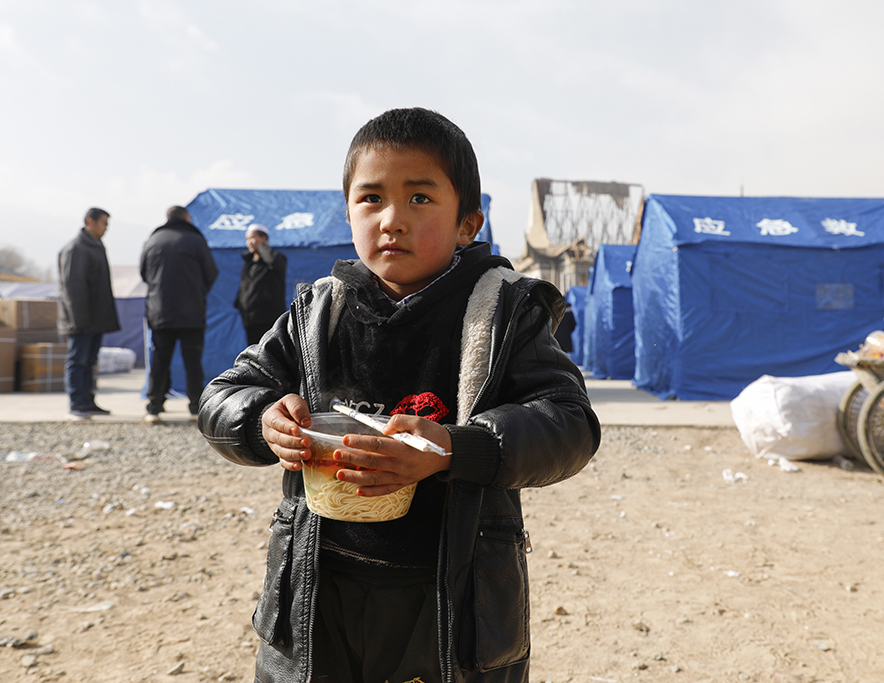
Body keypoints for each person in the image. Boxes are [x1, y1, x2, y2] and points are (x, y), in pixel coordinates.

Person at [198, 107, 601, 682]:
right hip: (318, 594)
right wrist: (262, 418)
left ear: (468, 223)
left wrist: (455, 449)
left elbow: (569, 423)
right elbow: (223, 395)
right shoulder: (317, 311)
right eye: (371, 199)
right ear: (348, 213)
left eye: (419, 198)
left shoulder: (506, 313)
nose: (392, 219)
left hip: (450, 602)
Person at [139, 205, 218, 423]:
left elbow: (144, 274)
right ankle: (195, 408)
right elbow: (211, 273)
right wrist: (196, 292)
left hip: (160, 312)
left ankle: (153, 407)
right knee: (192, 361)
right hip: (191, 313)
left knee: (160, 360)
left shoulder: (153, 241)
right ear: (185, 218)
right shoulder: (196, 240)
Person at [57, 207, 121, 420]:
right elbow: (72, 289)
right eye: (103, 224)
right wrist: (80, 320)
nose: (106, 229)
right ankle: (77, 402)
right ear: (90, 222)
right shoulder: (76, 249)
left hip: (96, 319)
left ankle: (88, 401)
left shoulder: (96, 246)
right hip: (81, 320)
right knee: (78, 360)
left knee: (89, 361)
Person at [234, 223, 288, 345]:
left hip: (270, 320)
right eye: (247, 239)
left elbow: (275, 262)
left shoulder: (276, 259)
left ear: (264, 238)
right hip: (251, 321)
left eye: (253, 238)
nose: (249, 242)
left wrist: (262, 247)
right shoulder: (248, 264)